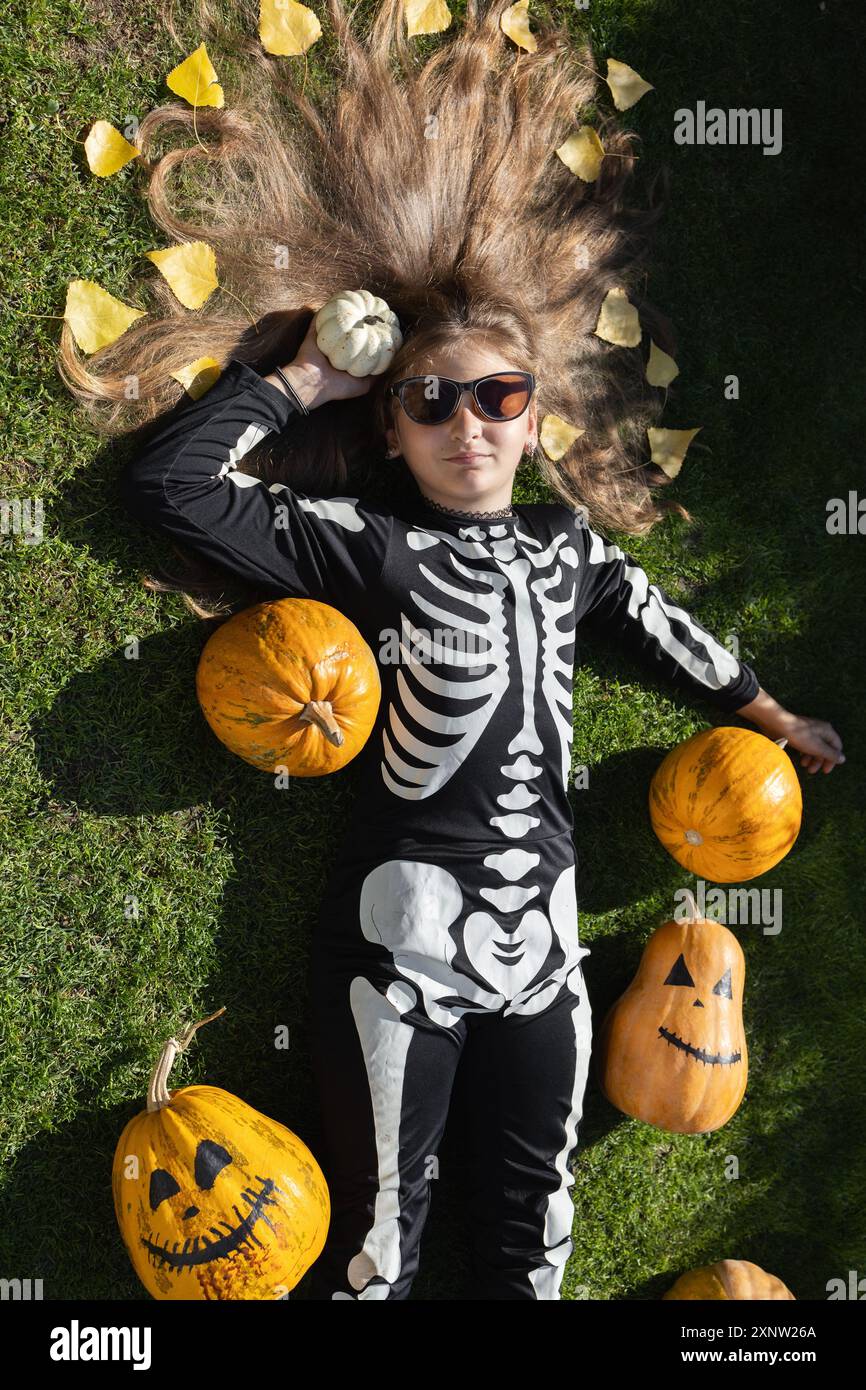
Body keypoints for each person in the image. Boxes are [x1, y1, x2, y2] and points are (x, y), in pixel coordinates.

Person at [69, 0, 843, 1298]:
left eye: (498, 397)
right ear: (394, 431)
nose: (467, 425)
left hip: (543, 944)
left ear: (535, 421)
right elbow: (175, 492)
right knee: (382, 1244)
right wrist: (306, 377)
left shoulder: (568, 551)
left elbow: (661, 632)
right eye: (430, 402)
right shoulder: (367, 545)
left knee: (534, 1233)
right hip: (399, 940)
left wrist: (765, 713)